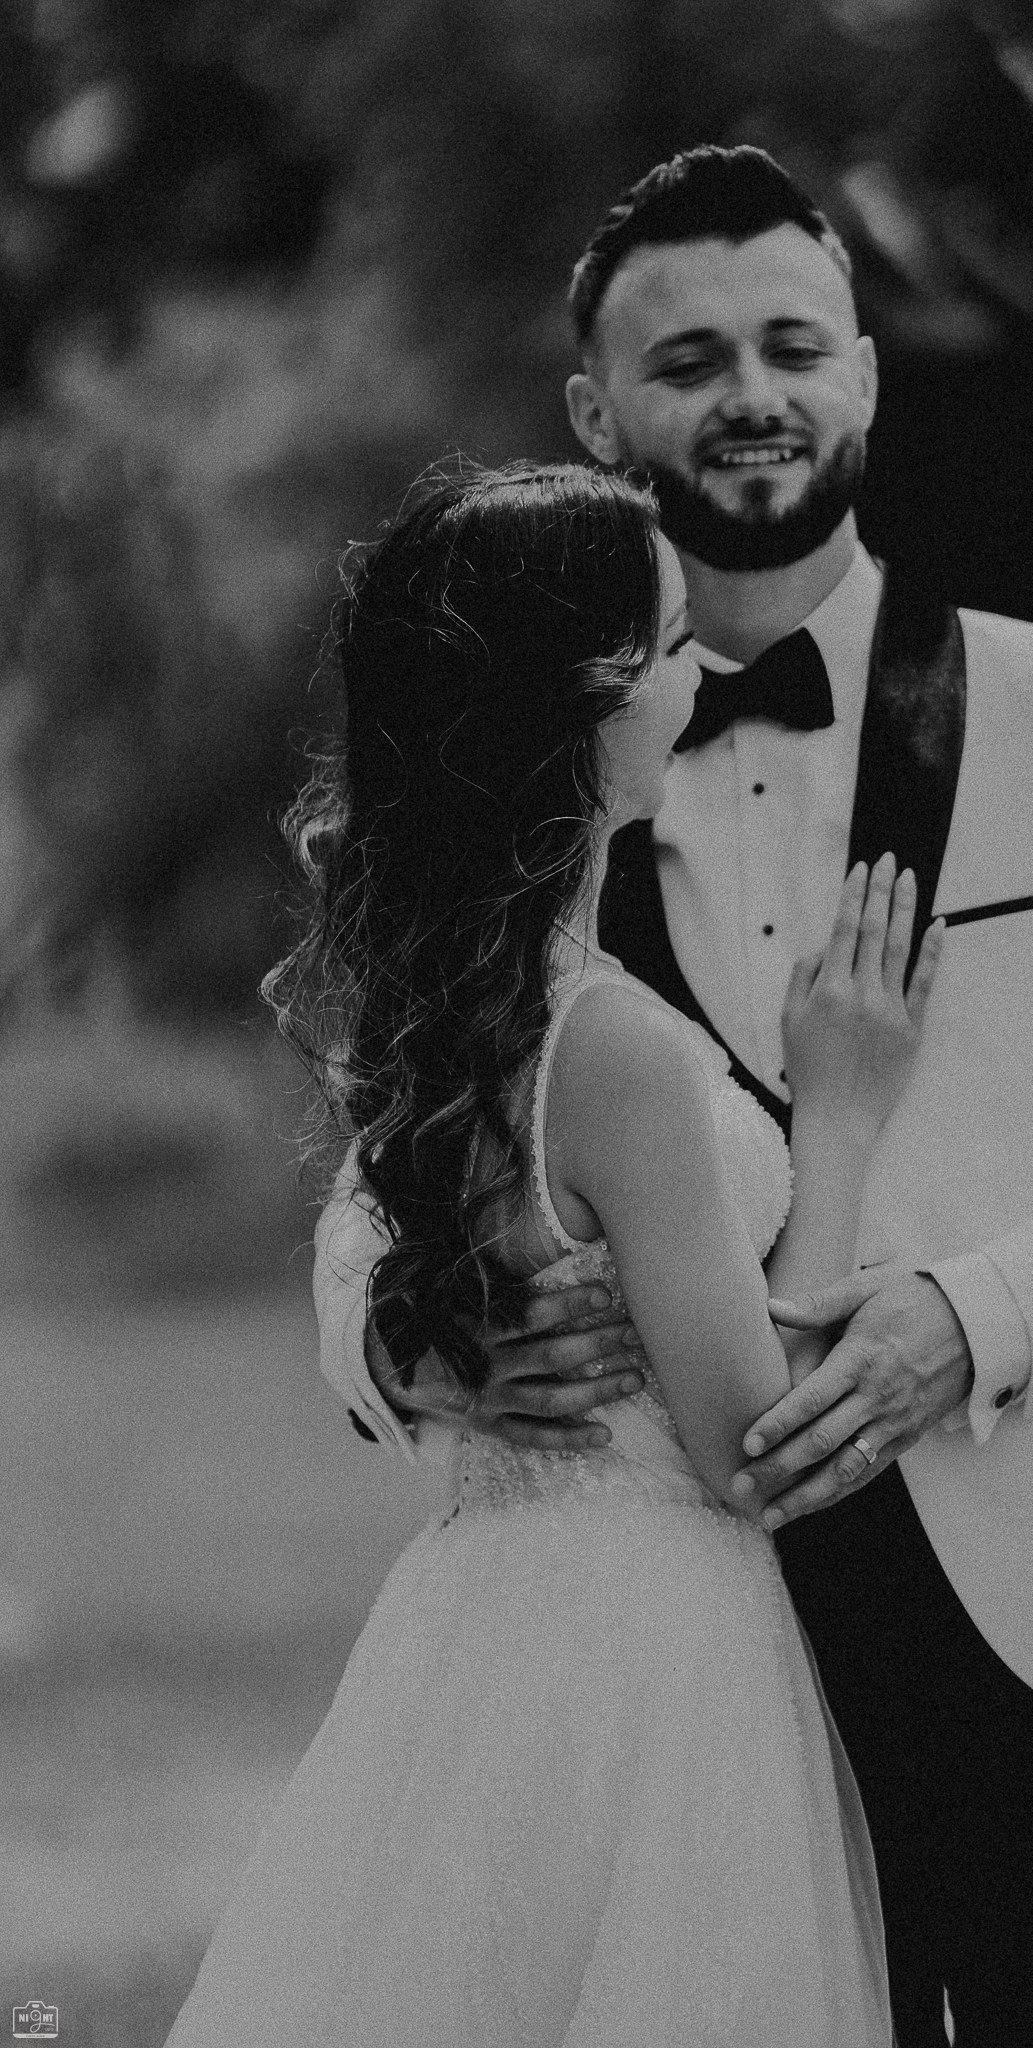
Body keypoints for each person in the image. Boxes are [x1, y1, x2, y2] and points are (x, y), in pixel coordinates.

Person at [315, 150, 1033, 2044]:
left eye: (792, 346)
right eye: (688, 360)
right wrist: (405, 1339)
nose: (752, 396)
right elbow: (407, 1127)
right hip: (716, 1637)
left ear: (864, 372)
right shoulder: (542, 780)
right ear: (595, 414)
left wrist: (974, 1317)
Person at [168, 460, 951, 2046]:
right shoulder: (612, 1048)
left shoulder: (463, 1009)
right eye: (667, 646)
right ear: (583, 696)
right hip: (649, 1647)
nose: (700, 672)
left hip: (481, 1619)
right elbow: (752, 1447)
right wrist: (841, 1115)